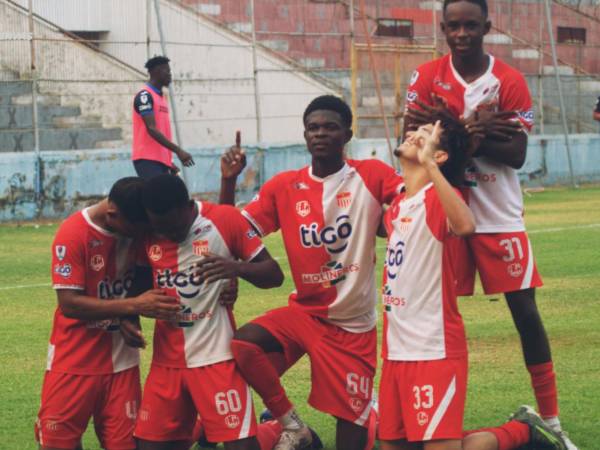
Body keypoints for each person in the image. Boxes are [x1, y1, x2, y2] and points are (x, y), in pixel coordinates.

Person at [403, 1, 577, 448]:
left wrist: (451, 130)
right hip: (442, 211)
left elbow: (517, 154)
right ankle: (422, 414)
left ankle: (552, 418)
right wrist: (475, 130)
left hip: (498, 215)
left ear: (487, 27)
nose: (462, 33)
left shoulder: (510, 80)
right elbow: (411, 138)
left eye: (470, 25)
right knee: (429, 315)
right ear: (443, 29)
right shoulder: (425, 76)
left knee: (525, 314)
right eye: (453, 26)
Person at [221, 95, 404, 450]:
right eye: (313, 128)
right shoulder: (283, 186)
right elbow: (229, 232)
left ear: (347, 134)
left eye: (330, 127)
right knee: (244, 347)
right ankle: (291, 426)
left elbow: (410, 199)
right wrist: (229, 182)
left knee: (350, 439)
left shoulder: (370, 174)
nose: (320, 134)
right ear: (305, 136)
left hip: (351, 327)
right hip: (304, 315)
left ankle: (372, 413)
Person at [378, 119, 567, 450]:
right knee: (397, 446)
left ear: (439, 158)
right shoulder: (397, 206)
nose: (412, 135)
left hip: (433, 349)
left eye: (424, 136)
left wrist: (430, 168)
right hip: (395, 351)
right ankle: (521, 426)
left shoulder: (437, 198)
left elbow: (465, 225)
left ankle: (522, 432)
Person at [131, 174, 283, 450]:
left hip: (217, 360)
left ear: (188, 205)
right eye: (160, 227)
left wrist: (235, 269)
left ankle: (273, 430)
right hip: (166, 365)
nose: (168, 234)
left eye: (174, 227)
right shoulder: (147, 232)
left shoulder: (224, 219)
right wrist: (140, 307)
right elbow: (136, 286)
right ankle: (202, 429)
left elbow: (274, 275)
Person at [35, 177, 181, 450]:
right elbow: (70, 304)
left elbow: (140, 279)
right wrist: (133, 307)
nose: (141, 236)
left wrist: (128, 317)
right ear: (112, 214)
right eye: (137, 230)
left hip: (121, 364)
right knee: (58, 444)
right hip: (72, 362)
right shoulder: (73, 233)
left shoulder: (138, 231)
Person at [132, 56, 194, 178]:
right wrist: (178, 150)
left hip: (160, 161)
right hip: (147, 160)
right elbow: (152, 129)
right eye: (167, 71)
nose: (170, 75)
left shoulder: (161, 97)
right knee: (157, 196)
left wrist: (167, 160)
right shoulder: (145, 96)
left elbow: (162, 132)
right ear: (156, 72)